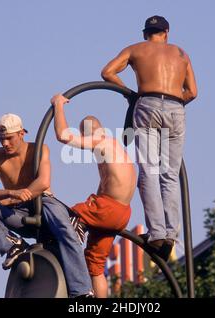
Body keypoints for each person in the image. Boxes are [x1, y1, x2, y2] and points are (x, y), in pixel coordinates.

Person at [0, 113, 93, 297]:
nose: (5, 143)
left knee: (65, 228)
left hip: (44, 204)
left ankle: (82, 292)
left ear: (21, 133)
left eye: (9, 138)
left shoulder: (38, 149)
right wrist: (11, 194)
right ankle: (12, 245)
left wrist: (17, 197)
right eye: (1, 139)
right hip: (18, 214)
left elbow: (43, 182)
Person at [101, 15, 198, 261]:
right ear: (166, 32)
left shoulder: (136, 49)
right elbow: (193, 92)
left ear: (146, 33)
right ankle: (171, 235)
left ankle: (156, 233)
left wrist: (131, 94)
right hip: (176, 109)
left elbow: (107, 72)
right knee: (170, 176)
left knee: (149, 172)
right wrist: (173, 102)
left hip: (147, 105)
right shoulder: (181, 54)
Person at [51, 94, 136, 298]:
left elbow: (62, 135)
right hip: (121, 214)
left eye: (84, 136)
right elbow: (104, 190)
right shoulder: (114, 153)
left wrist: (58, 105)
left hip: (109, 207)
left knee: (66, 215)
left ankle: (72, 235)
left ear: (88, 133)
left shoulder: (103, 142)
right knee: (95, 266)